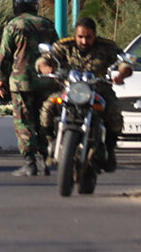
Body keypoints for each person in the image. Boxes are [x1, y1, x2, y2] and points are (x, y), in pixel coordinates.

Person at [38, 17, 132, 172]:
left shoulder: (106, 47)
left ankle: (110, 150)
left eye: (88, 37)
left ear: (94, 35)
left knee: (113, 111)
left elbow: (124, 63)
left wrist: (121, 74)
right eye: (80, 36)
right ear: (75, 35)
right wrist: (45, 67)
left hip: (98, 90)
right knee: (48, 105)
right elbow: (45, 59)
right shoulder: (66, 46)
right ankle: (50, 143)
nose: (84, 41)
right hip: (71, 90)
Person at [0, 0, 59, 176]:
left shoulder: (13, 25)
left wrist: (1, 79)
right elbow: (57, 52)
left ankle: (30, 162)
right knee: (44, 120)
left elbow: (5, 56)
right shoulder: (47, 25)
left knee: (24, 121)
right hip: (46, 82)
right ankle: (46, 160)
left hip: (21, 82)